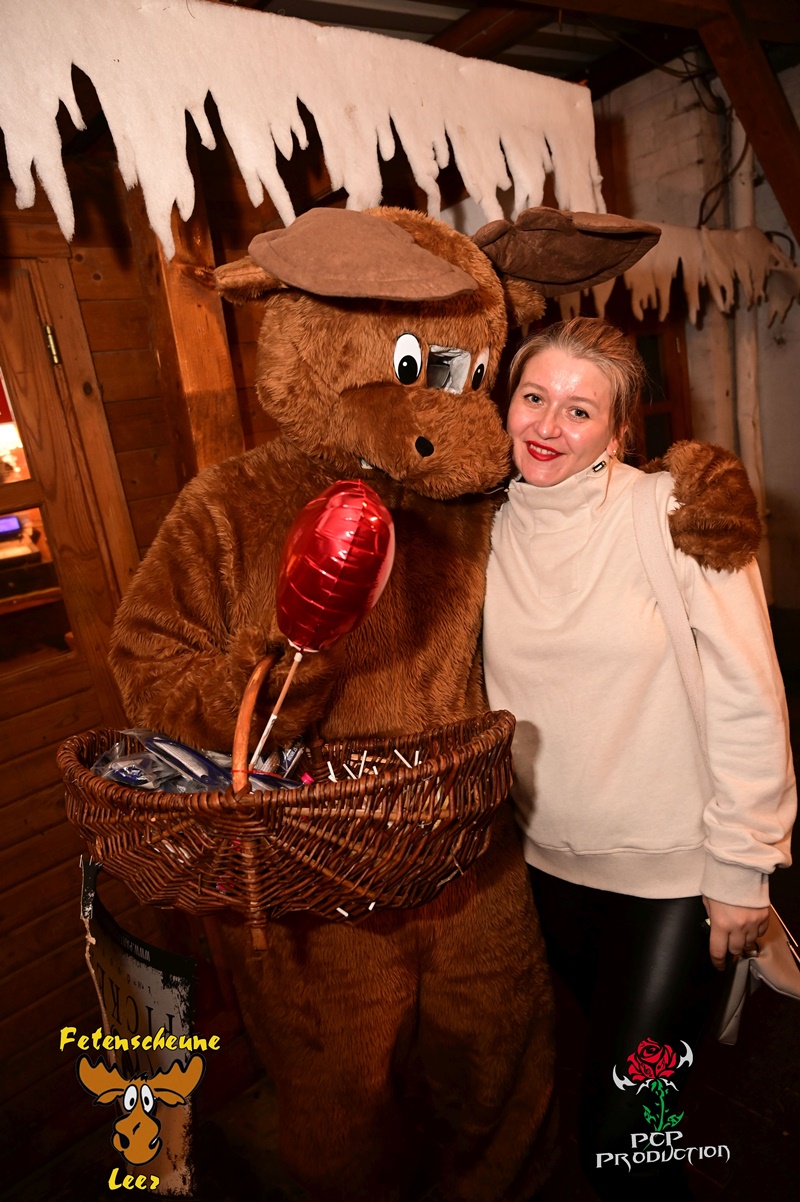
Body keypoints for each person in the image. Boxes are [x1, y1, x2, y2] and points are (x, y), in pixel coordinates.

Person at [481, 316, 797, 1200]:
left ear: (618, 432)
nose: (548, 426)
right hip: (545, 870)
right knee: (647, 1108)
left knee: (617, 1136)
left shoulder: (672, 513)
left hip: (674, 878)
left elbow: (749, 693)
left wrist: (741, 866)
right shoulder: (483, 529)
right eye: (534, 397)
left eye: (579, 410)